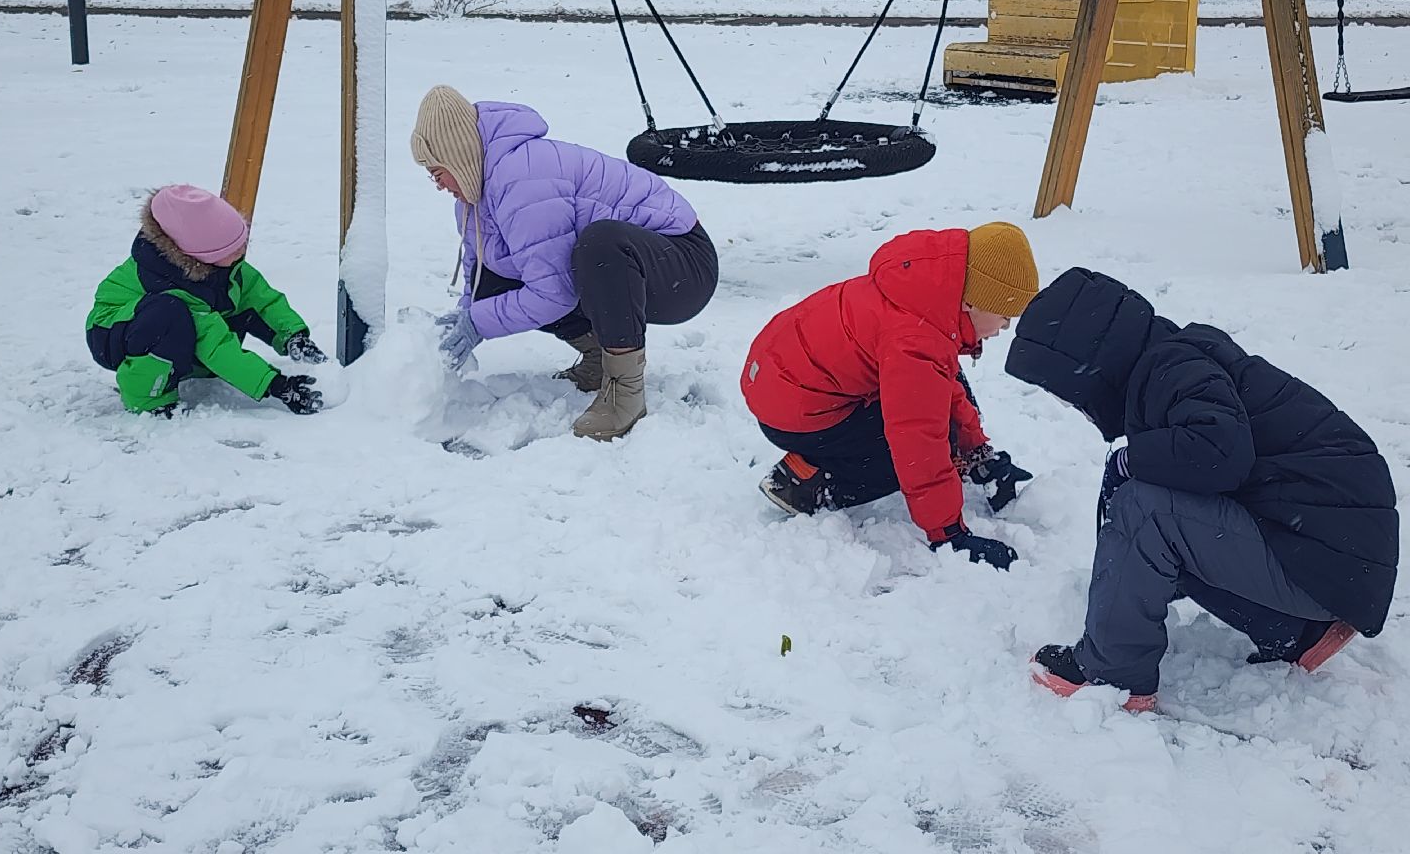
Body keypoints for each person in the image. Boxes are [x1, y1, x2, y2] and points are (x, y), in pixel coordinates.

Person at [1006, 268, 1398, 711]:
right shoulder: (1169, 365)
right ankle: (1294, 630)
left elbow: (1221, 454)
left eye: (1065, 392)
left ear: (1090, 366)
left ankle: (1111, 675)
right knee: (1161, 503)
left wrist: (1133, 460)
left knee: (1144, 507)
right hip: (1332, 556)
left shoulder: (1172, 369)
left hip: (1326, 550)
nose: (1071, 405)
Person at [413, 86, 718, 441]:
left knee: (600, 246)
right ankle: (598, 360)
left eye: (437, 172)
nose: (437, 185)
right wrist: (465, 313)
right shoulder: (474, 198)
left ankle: (625, 392)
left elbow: (552, 294)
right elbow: (479, 271)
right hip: (634, 267)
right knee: (500, 277)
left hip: (684, 264)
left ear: (458, 156)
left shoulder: (523, 178)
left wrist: (478, 322)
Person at [741, 224, 1039, 570]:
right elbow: (918, 441)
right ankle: (808, 481)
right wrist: (949, 534)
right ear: (971, 301)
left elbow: (943, 386)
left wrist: (977, 454)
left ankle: (962, 458)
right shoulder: (914, 338)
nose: (1006, 327)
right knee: (911, 452)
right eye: (1005, 315)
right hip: (794, 410)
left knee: (943, 398)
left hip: (780, 377)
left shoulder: (922, 294)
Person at [86, 185, 327, 417]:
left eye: (242, 242)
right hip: (114, 331)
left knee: (232, 298)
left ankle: (189, 367)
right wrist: (275, 385)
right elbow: (216, 345)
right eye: (231, 249)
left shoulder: (221, 266)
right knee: (169, 315)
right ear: (201, 255)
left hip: (169, 321)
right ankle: (146, 398)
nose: (241, 251)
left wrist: (293, 335)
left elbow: (260, 299)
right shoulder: (171, 284)